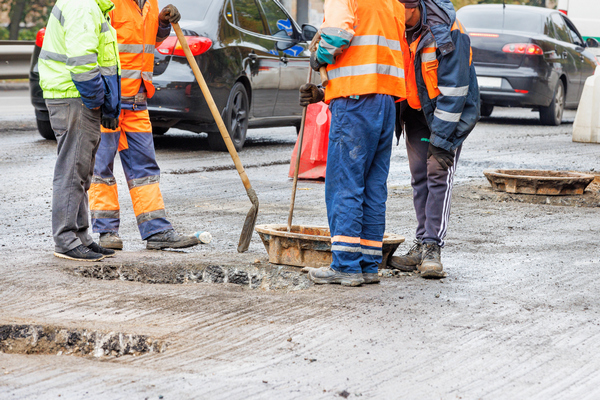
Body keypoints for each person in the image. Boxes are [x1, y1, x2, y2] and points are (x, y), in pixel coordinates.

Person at [299, 0, 408, 286]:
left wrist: (319, 57)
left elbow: (337, 38)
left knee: (345, 183)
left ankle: (346, 266)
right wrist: (326, 92)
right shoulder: (391, 2)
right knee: (373, 185)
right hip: (386, 102)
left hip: (356, 103)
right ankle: (368, 264)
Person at [89, 1, 198, 251]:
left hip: (138, 102)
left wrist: (162, 24)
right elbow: (95, 50)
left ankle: (156, 230)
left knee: (145, 170)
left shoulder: (150, 4)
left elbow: (148, 42)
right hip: (111, 102)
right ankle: (106, 232)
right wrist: (104, 101)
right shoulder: (109, 4)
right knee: (101, 168)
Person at [389, 0, 480, 278]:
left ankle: (432, 247)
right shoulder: (395, 25)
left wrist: (442, 140)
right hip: (416, 111)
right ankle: (421, 243)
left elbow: (455, 92)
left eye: (398, 8)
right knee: (419, 176)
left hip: (448, 113)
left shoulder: (448, 30)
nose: (393, 13)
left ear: (412, 7)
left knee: (437, 172)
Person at [39, 0, 121, 261]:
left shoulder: (92, 6)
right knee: (73, 169)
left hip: (77, 96)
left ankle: (81, 235)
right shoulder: (83, 6)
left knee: (82, 170)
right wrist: (99, 102)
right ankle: (65, 239)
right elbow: (83, 63)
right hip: (75, 97)